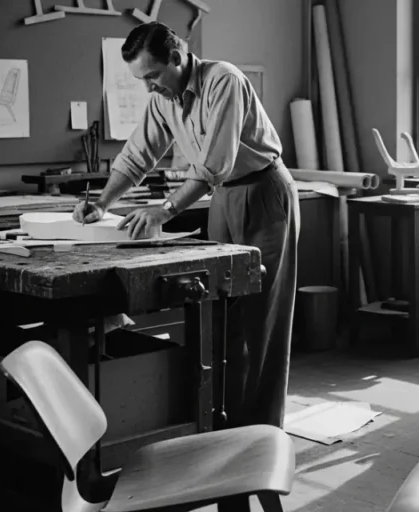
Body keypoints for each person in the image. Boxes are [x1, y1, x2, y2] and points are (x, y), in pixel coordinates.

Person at [72, 22, 299, 434]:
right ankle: (221, 420)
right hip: (224, 196)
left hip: (263, 191)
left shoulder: (223, 80)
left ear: (177, 57)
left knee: (261, 318)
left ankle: (261, 432)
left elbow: (216, 162)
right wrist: (103, 202)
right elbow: (138, 155)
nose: (149, 88)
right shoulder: (164, 97)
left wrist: (164, 211)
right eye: (142, 80)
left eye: (153, 76)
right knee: (220, 314)